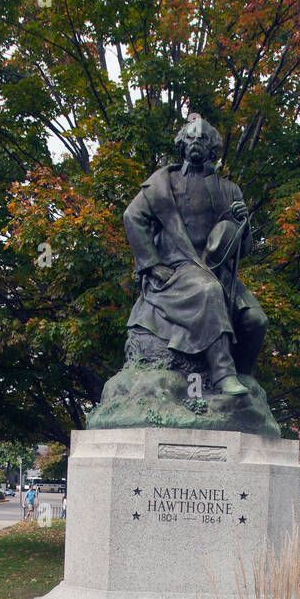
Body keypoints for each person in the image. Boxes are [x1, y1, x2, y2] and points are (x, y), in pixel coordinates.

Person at [122, 114, 267, 393]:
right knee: (208, 290)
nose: (196, 142)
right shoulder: (163, 183)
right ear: (182, 143)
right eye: (190, 137)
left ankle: (243, 377)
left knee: (256, 319)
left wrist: (243, 225)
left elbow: (244, 250)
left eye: (202, 138)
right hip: (179, 268)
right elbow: (132, 217)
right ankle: (224, 375)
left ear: (213, 147)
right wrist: (151, 265)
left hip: (217, 270)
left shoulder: (229, 190)